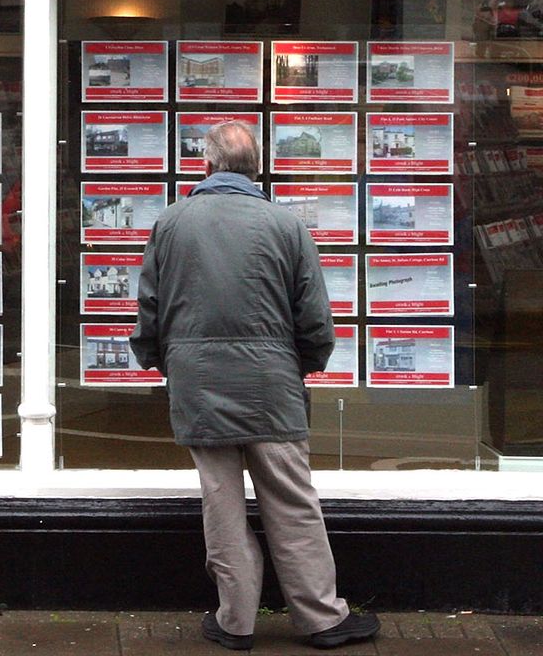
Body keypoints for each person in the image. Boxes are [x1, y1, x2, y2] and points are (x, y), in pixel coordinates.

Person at [130, 121, 380, 651]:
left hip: (198, 382)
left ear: (206, 166)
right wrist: (304, 364)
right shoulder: (286, 226)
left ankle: (235, 620)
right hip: (272, 382)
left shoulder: (170, 224)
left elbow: (149, 308)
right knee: (291, 501)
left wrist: (158, 360)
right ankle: (322, 619)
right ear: (257, 169)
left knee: (220, 502)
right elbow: (314, 318)